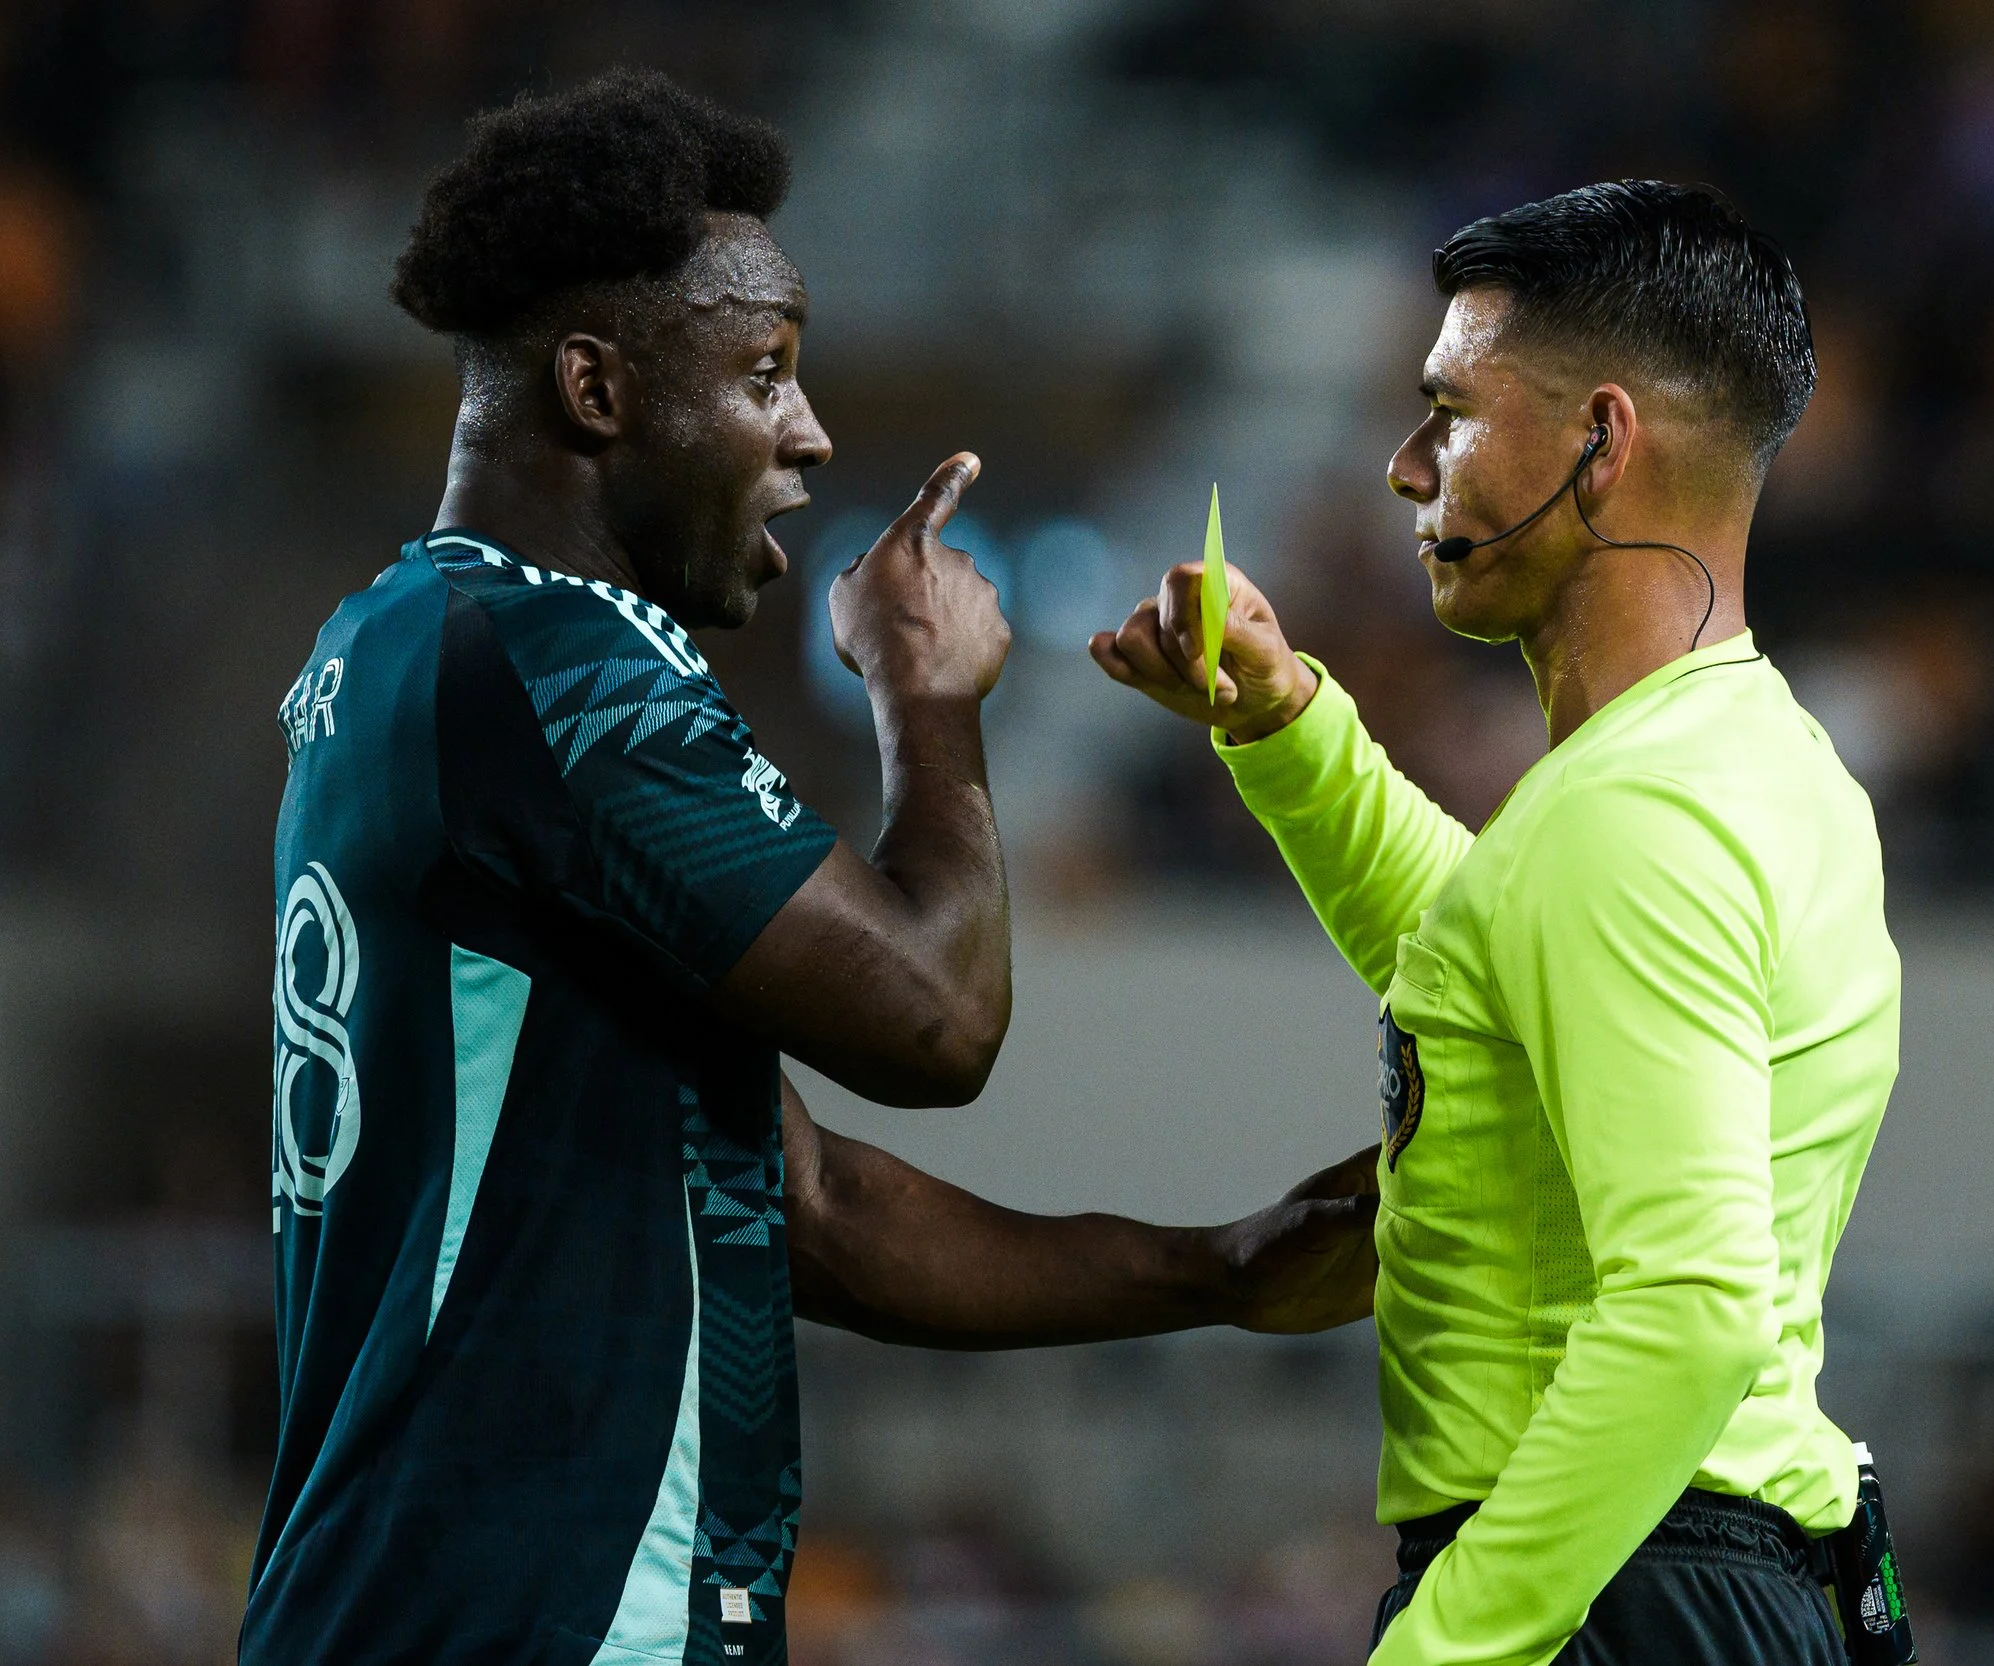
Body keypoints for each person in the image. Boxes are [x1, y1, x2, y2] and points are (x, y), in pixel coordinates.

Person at [246, 70, 1377, 1666]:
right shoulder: (558, 666)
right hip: (542, 1615)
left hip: (415, 1600)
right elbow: (935, 1017)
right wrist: (924, 696)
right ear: (596, 386)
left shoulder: (400, 641)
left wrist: (1223, 1266)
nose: (809, 431)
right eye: (765, 373)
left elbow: (806, 1198)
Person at [1093, 181, 1902, 1665]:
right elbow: (1492, 953)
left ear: (1601, 439)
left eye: (1449, 412)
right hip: (1705, 1573)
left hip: (1611, 1585)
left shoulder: (1631, 819)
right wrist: (1290, 730)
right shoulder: (1756, 772)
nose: (1406, 469)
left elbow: (1693, 1309)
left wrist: (1443, 1648)